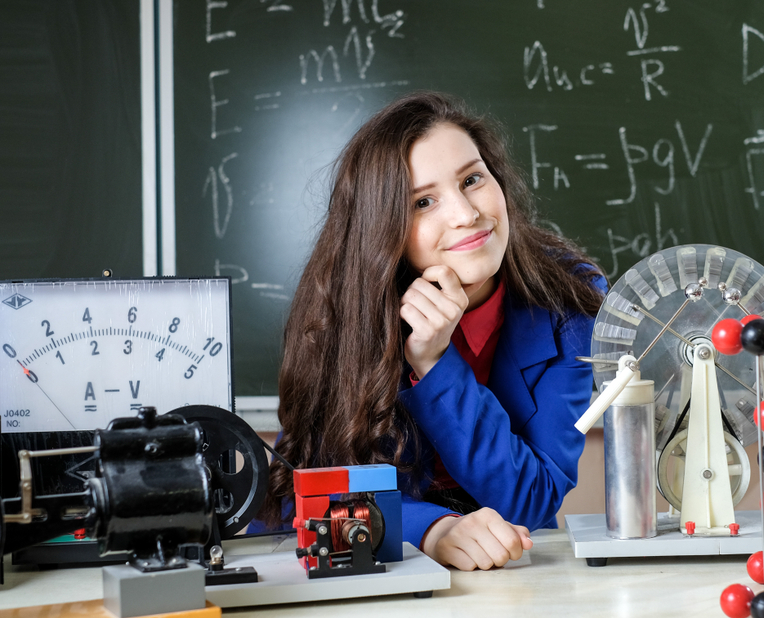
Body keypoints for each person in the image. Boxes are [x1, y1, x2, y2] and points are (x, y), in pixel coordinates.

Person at [254, 91, 606, 571]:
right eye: (423, 201)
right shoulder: (347, 309)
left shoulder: (567, 297)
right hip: (383, 572)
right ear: (384, 231)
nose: (465, 214)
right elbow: (299, 492)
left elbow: (533, 499)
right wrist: (429, 529)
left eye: (472, 179)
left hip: (508, 572)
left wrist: (435, 364)